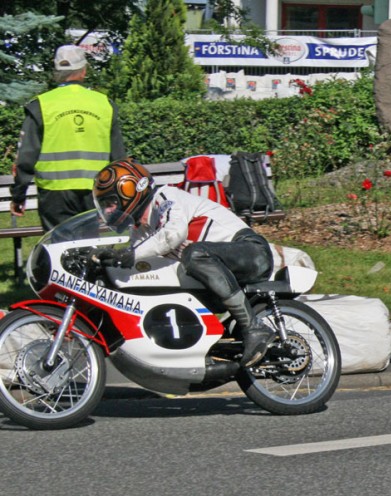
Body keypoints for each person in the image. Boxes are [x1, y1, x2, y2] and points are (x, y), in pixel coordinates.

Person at [90, 158, 276, 368]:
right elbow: (136, 260)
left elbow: (174, 234)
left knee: (194, 254)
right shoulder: (141, 230)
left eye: (110, 203)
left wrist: (129, 255)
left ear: (131, 191)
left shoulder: (167, 198)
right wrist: (104, 260)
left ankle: (254, 327)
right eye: (104, 206)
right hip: (219, 270)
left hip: (251, 252)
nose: (107, 212)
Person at [11, 45, 126, 231]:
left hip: (54, 192)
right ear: (84, 71)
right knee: (89, 249)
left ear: (57, 71)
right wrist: (116, 195)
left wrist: (18, 195)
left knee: (57, 247)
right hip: (94, 190)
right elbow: (119, 157)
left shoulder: (41, 105)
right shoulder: (104, 104)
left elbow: (26, 157)